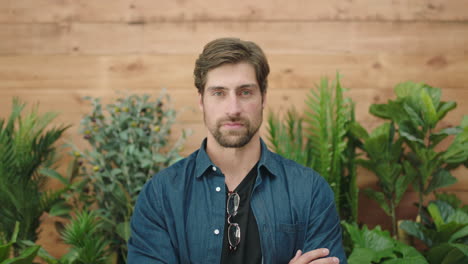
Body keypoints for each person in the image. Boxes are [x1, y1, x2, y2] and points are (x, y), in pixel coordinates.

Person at [128, 37, 347, 264]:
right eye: (219, 93)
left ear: (263, 98)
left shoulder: (309, 191)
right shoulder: (161, 195)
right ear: (201, 100)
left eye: (245, 92)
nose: (233, 109)